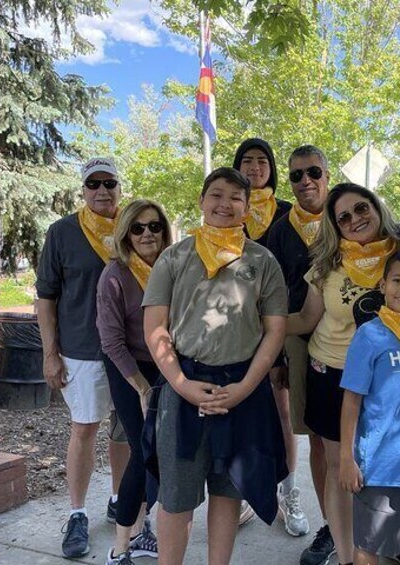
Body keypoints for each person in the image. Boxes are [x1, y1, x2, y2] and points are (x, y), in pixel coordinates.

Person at [143, 167, 289, 565]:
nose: (225, 204)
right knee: (176, 497)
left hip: (242, 390)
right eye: (217, 195)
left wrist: (244, 388)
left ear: (247, 208)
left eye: (236, 198)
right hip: (184, 389)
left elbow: (275, 331)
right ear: (202, 202)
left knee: (229, 491)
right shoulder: (174, 258)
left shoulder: (263, 262)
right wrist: (181, 383)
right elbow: (155, 328)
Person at [288, 182, 400, 565]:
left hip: (388, 381)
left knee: (384, 467)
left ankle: (387, 549)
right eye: (343, 217)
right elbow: (306, 319)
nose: (355, 220)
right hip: (330, 374)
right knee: (340, 468)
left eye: (361, 208)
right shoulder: (326, 265)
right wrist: (252, 324)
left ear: (377, 207)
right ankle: (349, 554)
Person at [36, 157, 131, 558]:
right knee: (85, 430)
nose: (102, 191)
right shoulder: (62, 233)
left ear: (120, 188)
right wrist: (50, 354)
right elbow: (46, 299)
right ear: (83, 190)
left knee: (124, 431)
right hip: (82, 352)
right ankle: (77, 514)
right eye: (94, 184)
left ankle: (118, 499)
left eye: (109, 182)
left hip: (130, 350)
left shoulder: (136, 228)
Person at [339, 249, 400, 565]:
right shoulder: (370, 335)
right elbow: (352, 400)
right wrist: (346, 458)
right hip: (380, 466)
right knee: (369, 548)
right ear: (382, 285)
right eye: (396, 280)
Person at [233, 137, 307, 534]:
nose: (255, 167)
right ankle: (245, 491)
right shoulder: (229, 214)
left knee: (283, 413)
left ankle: (289, 491)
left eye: (263, 161)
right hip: (235, 330)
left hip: (279, 326)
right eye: (247, 161)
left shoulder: (287, 214)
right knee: (241, 409)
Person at [266, 144, 333, 562]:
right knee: (320, 441)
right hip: (300, 337)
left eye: (312, 172)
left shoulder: (349, 213)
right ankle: (332, 527)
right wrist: (275, 356)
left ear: (326, 173)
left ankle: (377, 528)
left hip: (352, 340)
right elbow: (270, 295)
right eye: (296, 175)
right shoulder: (280, 228)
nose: (305, 181)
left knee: (361, 440)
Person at [97, 199, 173, 564]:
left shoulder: (172, 267)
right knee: (144, 452)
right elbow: (110, 341)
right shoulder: (115, 275)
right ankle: (119, 548)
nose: (147, 234)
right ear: (126, 232)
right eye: (138, 227)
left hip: (166, 365)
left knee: (161, 451)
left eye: (154, 226)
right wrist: (142, 387)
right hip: (128, 369)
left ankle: (145, 532)